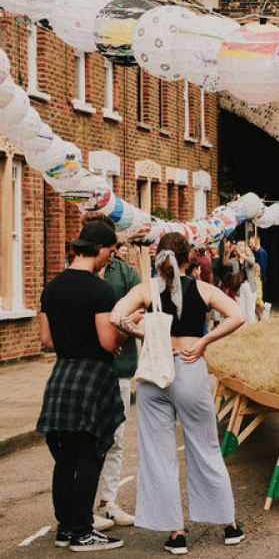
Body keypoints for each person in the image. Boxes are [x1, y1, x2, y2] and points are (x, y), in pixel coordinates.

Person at [111, 232, 246, 555]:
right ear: (189, 259)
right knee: (205, 446)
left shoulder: (146, 290)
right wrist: (203, 342)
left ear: (159, 260)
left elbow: (117, 317)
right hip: (189, 365)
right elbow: (238, 316)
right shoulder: (202, 288)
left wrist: (143, 331)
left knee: (158, 453)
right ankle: (228, 524)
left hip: (154, 372)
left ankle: (176, 533)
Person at [38, 221, 128, 552]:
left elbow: (47, 340)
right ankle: (82, 532)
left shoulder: (52, 287)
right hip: (92, 375)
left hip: (62, 375)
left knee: (65, 458)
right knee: (91, 455)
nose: (110, 258)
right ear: (102, 249)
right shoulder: (99, 290)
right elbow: (107, 343)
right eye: (110, 252)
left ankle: (65, 529)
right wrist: (122, 334)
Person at [85, 215, 141, 530]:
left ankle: (107, 502)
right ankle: (84, 506)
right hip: (89, 368)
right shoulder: (79, 274)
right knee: (89, 438)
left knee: (115, 439)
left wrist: (117, 335)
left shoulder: (126, 273)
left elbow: (141, 307)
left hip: (119, 369)